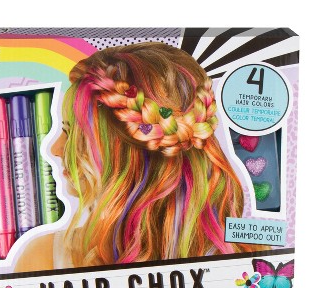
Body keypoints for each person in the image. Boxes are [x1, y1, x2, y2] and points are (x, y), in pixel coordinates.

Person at [15, 42, 265, 272]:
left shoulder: (45, 259)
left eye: (71, 132)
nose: (55, 148)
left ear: (123, 151)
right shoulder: (251, 252)